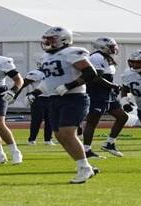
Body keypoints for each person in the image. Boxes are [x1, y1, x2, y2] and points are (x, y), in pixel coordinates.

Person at [36, 27, 100, 184]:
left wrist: (69, 86)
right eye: (47, 39)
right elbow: (49, 80)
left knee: (67, 132)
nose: (48, 42)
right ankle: (84, 166)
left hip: (74, 97)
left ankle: (84, 169)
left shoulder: (72, 52)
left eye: (52, 39)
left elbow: (90, 73)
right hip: (54, 98)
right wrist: (35, 93)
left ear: (64, 40)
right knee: (59, 135)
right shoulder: (45, 57)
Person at [82, 37, 127, 158]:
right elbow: (95, 78)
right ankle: (86, 150)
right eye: (111, 47)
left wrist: (112, 87)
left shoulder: (106, 57)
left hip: (107, 93)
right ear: (103, 47)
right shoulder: (96, 57)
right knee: (92, 122)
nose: (114, 49)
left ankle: (109, 143)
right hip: (97, 93)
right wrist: (113, 85)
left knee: (122, 117)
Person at [22, 64, 55, 145]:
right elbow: (23, 84)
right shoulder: (35, 73)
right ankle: (31, 139)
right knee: (37, 120)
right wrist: (14, 95)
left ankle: (48, 140)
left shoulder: (53, 73)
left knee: (50, 120)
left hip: (51, 98)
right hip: (38, 98)